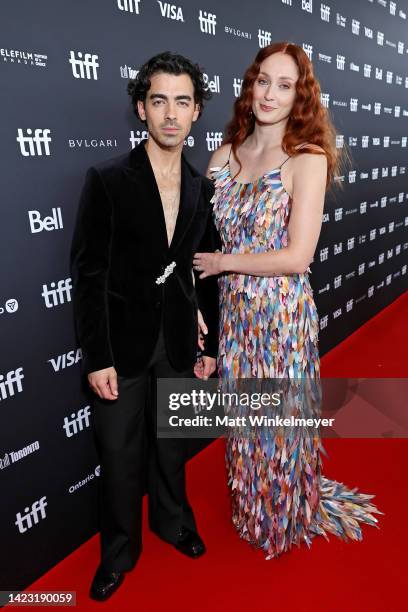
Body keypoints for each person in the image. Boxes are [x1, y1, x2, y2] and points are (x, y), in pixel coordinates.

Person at [193, 41, 382, 559]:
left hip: (279, 315)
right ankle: (253, 502)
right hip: (233, 313)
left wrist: (224, 263)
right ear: (250, 85)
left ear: (300, 95)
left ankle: (285, 513)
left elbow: (298, 256)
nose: (270, 94)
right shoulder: (221, 156)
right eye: (263, 81)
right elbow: (200, 244)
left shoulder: (308, 159)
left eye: (284, 85)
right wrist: (198, 305)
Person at [70, 51, 220, 600]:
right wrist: (97, 356)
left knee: (172, 443)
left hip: (180, 339)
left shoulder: (203, 189)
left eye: (183, 101)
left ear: (197, 111)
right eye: (160, 101)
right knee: (117, 454)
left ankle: (173, 522)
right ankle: (117, 553)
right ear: (141, 109)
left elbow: (203, 270)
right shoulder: (108, 180)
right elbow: (88, 274)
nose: (171, 114)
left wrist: (213, 343)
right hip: (121, 344)